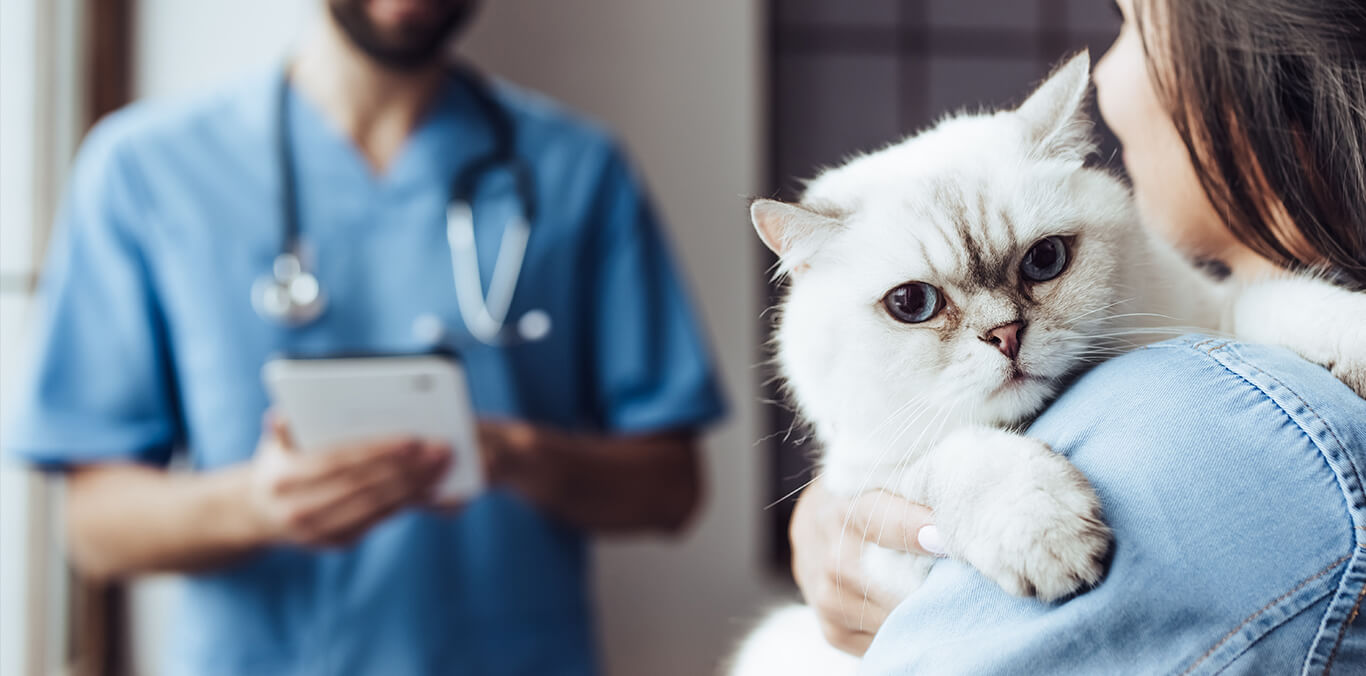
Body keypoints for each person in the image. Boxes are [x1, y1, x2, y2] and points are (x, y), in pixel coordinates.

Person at [4, 1, 726, 674]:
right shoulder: (145, 170)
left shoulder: (578, 171)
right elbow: (93, 527)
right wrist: (257, 505)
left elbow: (671, 487)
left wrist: (516, 456)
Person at [789, 0, 1366, 671]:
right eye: (917, 303)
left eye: (1130, 25)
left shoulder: (1221, 425)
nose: (1001, 333)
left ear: (1270, 65)